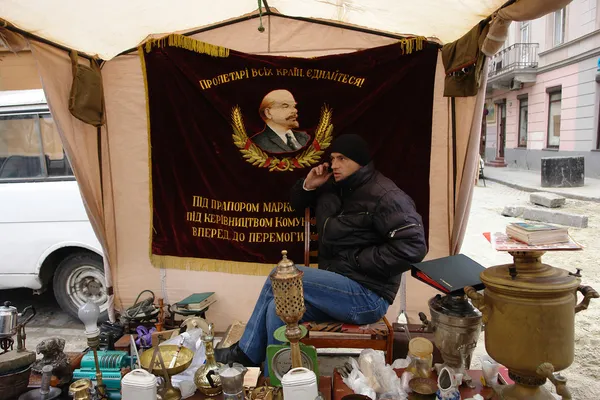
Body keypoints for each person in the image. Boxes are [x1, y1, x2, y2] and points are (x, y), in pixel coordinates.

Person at [215, 134, 427, 367]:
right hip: (333, 292)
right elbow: (297, 204)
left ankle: (246, 354)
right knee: (279, 310)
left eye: (342, 159)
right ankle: (276, 380)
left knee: (284, 276)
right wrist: (308, 185)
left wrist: (355, 260)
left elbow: (413, 248)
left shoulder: (386, 196)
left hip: (367, 296)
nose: (334, 164)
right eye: (333, 158)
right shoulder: (333, 187)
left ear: (360, 161)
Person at [251, 89, 310, 153]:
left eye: (294, 106)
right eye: (285, 106)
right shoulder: (256, 143)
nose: (295, 110)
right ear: (268, 113)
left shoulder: (305, 137)